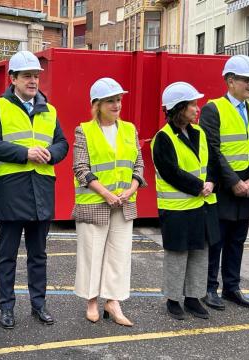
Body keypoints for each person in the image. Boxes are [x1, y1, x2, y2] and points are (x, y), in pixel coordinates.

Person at [0, 50, 69, 329]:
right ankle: (6, 308)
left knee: (38, 255)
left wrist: (50, 154)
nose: (33, 81)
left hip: (41, 191)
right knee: (6, 255)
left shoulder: (49, 109)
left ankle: (39, 305)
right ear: (13, 79)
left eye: (36, 76)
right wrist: (25, 153)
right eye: (27, 76)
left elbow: (62, 144)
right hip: (11, 191)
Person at [72, 78, 145, 327]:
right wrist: (106, 193)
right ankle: (91, 300)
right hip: (95, 202)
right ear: (97, 104)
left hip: (124, 203)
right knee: (91, 254)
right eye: (111, 101)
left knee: (119, 255)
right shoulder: (84, 130)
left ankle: (113, 302)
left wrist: (132, 188)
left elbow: (139, 164)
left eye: (119, 100)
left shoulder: (129, 129)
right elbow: (80, 169)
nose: (117, 105)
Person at [199, 55, 249, 310]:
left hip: (248, 186)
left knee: (238, 240)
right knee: (216, 240)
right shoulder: (212, 108)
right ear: (230, 80)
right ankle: (209, 288)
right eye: (247, 80)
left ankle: (232, 287)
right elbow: (213, 150)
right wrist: (235, 182)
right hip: (225, 187)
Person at [151, 82, 220, 321]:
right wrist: (198, 186)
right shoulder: (163, 138)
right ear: (178, 108)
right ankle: (173, 300)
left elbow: (211, 163)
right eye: (192, 104)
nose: (196, 108)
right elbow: (170, 172)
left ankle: (193, 298)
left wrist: (211, 181)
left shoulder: (199, 133)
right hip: (177, 208)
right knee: (177, 255)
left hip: (202, 205)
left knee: (200, 254)